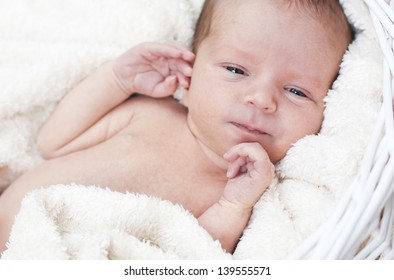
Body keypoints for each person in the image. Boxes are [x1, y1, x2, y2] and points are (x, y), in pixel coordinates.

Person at [0, 0, 353, 255]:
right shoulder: (150, 113)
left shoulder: (248, 192)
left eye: (296, 91)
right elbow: (53, 142)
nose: (262, 99)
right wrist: (118, 79)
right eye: (236, 70)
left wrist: (233, 206)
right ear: (192, 69)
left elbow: (189, 255)